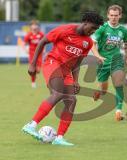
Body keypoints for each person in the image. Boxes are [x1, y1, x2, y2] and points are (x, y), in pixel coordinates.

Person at [22, 12, 104, 146]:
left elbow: (77, 63)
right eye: (92, 28)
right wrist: (32, 63)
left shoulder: (87, 43)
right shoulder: (65, 30)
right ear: (85, 22)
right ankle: (31, 125)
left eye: (96, 30)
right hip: (52, 63)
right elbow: (43, 42)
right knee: (58, 93)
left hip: (66, 71)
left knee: (72, 100)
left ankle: (59, 138)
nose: (93, 31)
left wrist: (76, 80)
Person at [91, 5, 127, 121]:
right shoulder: (102, 28)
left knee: (119, 84)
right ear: (108, 15)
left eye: (116, 15)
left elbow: (126, 44)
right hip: (102, 62)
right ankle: (99, 92)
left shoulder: (123, 30)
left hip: (117, 60)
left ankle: (118, 111)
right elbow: (92, 44)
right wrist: (98, 56)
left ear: (120, 16)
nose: (113, 18)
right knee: (104, 90)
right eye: (111, 15)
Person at [24, 20, 44, 88]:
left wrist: (44, 49)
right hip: (32, 54)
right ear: (31, 27)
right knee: (33, 69)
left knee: (38, 70)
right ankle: (33, 82)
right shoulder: (28, 35)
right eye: (33, 25)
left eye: (36, 25)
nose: (34, 26)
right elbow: (25, 43)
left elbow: (44, 43)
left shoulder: (41, 34)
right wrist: (26, 49)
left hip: (39, 54)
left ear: (38, 27)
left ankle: (36, 73)